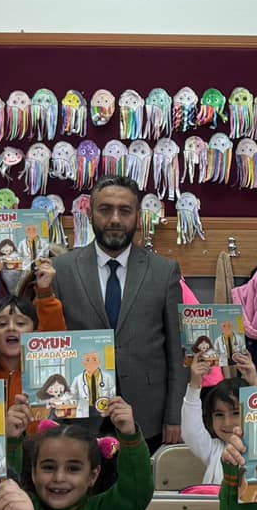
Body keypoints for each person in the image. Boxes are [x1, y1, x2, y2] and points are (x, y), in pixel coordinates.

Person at [49, 176, 188, 449]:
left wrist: (175, 415)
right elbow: (50, 342)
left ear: (138, 216)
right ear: (90, 213)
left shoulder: (164, 271)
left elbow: (177, 351)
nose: (115, 219)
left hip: (146, 413)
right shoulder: (61, 270)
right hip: (79, 414)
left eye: (125, 211)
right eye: (105, 209)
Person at [5, 394, 152, 510]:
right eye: (48, 467)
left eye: (73, 469)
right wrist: (11, 440)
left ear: (93, 475)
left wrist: (129, 436)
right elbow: (4, 485)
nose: (59, 478)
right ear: (34, 472)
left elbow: (135, 491)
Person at [0, 257, 65, 404]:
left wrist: (45, 292)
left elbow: (54, 336)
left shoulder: (45, 371)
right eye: (2, 324)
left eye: (20, 323)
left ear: (36, 335)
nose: (11, 328)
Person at [177, 349, 257, 490]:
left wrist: (255, 387)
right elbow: (190, 431)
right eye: (219, 415)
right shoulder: (213, 449)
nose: (227, 423)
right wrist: (195, 385)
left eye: (235, 413)